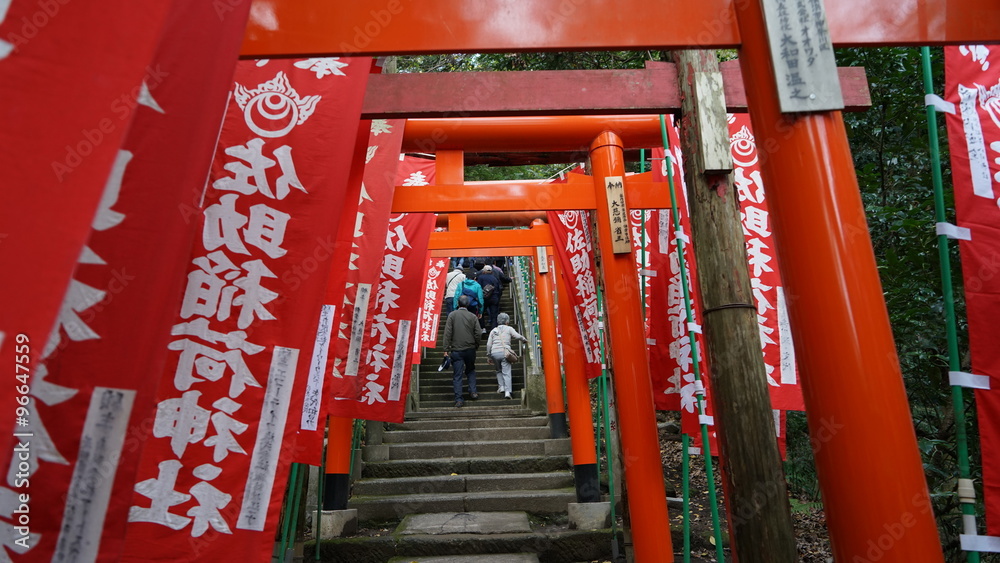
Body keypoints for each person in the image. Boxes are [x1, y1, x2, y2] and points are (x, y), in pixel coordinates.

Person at [443, 294, 482, 407]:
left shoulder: (452, 315)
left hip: (456, 350)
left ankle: (459, 399)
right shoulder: (472, 316)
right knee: (470, 370)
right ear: (468, 304)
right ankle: (473, 391)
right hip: (470, 348)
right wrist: (476, 344)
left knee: (457, 374)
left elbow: (447, 333)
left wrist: (446, 349)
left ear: (458, 303)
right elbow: (478, 333)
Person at [486, 312, 528, 399]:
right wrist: (524, 340)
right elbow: (517, 336)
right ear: (507, 321)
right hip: (505, 352)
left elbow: (488, 344)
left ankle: (501, 387)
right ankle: (508, 392)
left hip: (494, 352)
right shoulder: (509, 329)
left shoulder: (493, 330)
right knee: (507, 372)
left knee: (498, 370)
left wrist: (489, 355)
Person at [476, 265, 502, 330]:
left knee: (481, 312)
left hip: (484, 298)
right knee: (494, 315)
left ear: (484, 271)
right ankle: (493, 329)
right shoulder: (494, 278)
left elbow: (479, 288)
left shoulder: (481, 277)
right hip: (494, 298)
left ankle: (483, 327)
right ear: (491, 271)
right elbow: (498, 288)